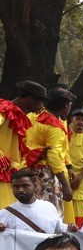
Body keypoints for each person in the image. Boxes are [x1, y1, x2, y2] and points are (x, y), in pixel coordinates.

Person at [24, 87, 75, 209]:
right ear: (65, 105)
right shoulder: (54, 126)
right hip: (46, 173)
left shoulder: (37, 117)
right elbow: (53, 156)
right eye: (70, 104)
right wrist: (65, 185)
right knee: (50, 210)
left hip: (30, 168)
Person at [0, 80, 48, 209]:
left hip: (8, 174)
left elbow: (17, 150)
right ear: (31, 98)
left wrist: (37, 153)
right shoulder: (4, 109)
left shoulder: (19, 116)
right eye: (41, 101)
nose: (42, 106)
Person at [0, 170, 66, 234]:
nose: (20, 190)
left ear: (35, 186)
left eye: (25, 186)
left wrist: (70, 228)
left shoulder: (48, 207)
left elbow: (61, 230)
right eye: (16, 186)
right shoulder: (4, 214)